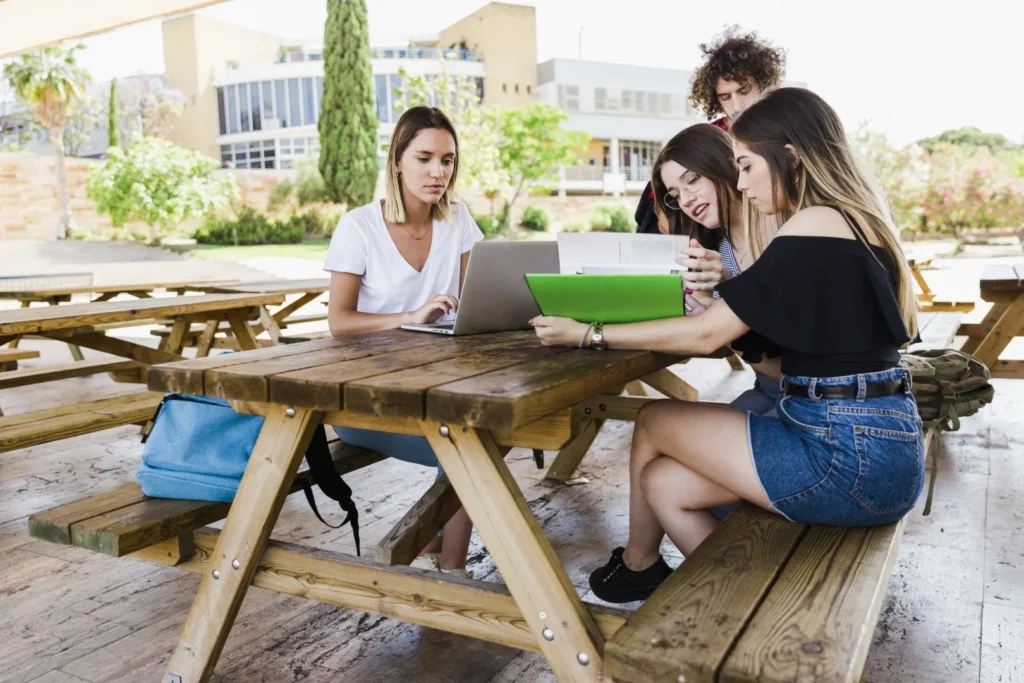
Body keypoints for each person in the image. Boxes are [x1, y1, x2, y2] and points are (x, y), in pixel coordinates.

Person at [532, 88, 922, 603]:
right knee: (666, 484)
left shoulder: (814, 223)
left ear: (791, 155)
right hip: (879, 444)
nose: (740, 182)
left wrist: (587, 333)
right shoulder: (855, 220)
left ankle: (653, 570)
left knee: (653, 420)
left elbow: (706, 334)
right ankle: (746, 605)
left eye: (745, 166)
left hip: (846, 455)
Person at [323, 106, 483, 577]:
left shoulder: (458, 221)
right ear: (397, 160)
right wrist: (409, 317)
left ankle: (434, 542)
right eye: (425, 158)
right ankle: (452, 573)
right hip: (365, 397)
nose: (438, 172)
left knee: (471, 439)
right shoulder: (359, 227)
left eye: (448, 160)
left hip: (437, 388)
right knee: (468, 451)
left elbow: (475, 304)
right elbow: (338, 321)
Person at [651, 123, 781, 419]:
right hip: (768, 389)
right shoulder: (714, 252)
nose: (685, 200)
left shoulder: (785, 228)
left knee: (659, 426)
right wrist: (706, 305)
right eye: (675, 194)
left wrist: (727, 297)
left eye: (692, 180)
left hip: (812, 398)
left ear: (725, 164)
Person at [635, 26, 787, 234]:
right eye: (725, 97)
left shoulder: (784, 129)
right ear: (714, 98)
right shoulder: (710, 134)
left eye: (744, 91)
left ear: (763, 85)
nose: (737, 105)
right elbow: (665, 189)